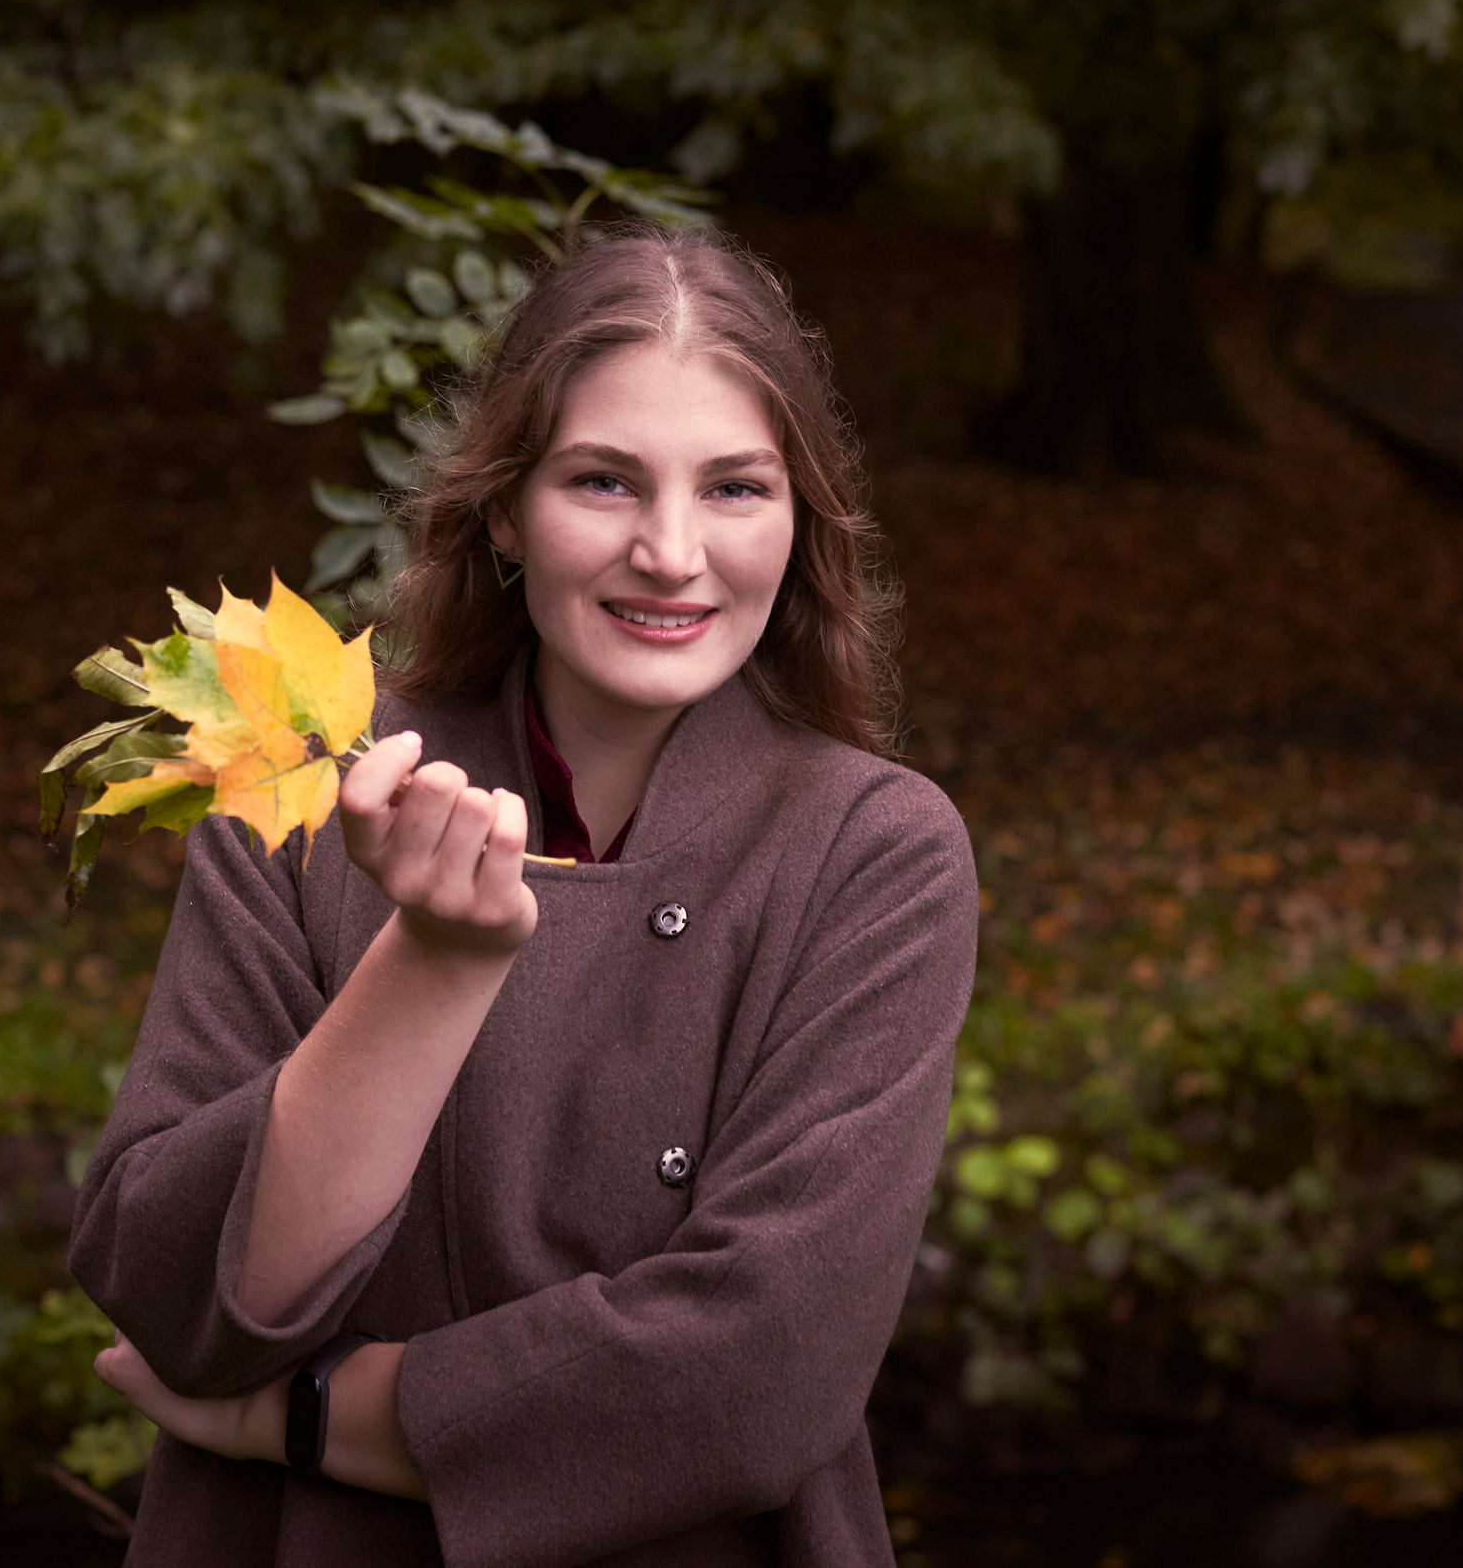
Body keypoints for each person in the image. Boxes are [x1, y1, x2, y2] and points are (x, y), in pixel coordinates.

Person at [68, 227, 979, 1565]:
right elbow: (180, 1296)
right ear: (507, 506)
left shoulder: (872, 852)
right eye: (603, 480)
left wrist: (301, 1420)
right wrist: (432, 958)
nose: (671, 552)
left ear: (802, 517)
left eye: (735, 488)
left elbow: (750, 1385)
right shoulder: (316, 786)